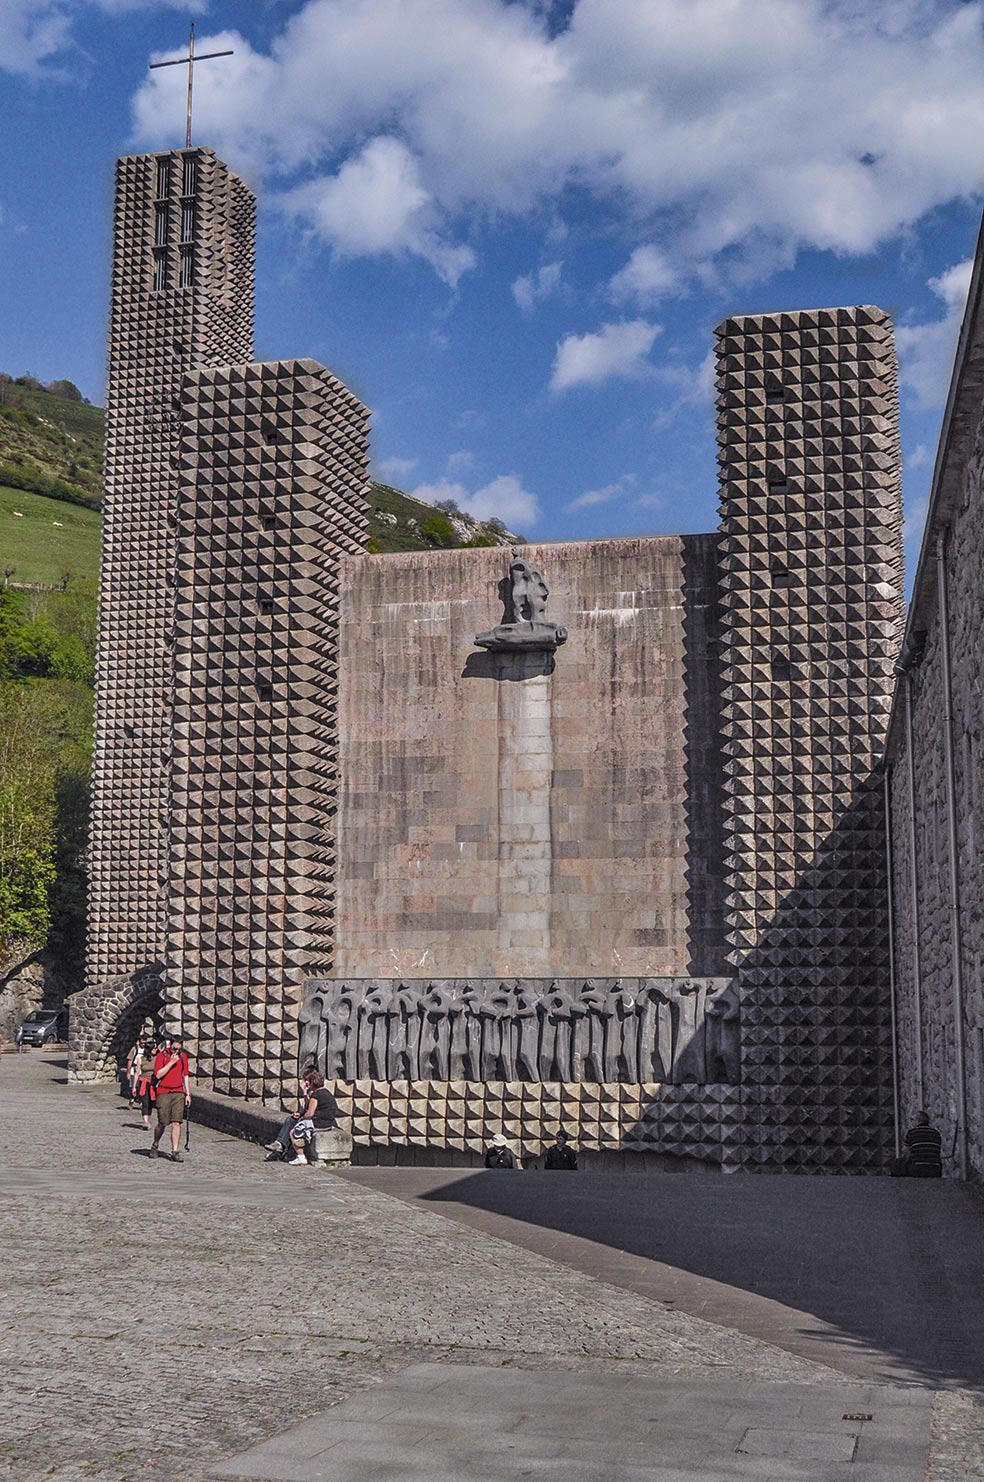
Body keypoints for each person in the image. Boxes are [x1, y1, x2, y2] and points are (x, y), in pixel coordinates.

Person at [150, 1034, 191, 1162]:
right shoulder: (162, 1056)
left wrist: (187, 1093)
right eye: (174, 1049)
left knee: (176, 1122)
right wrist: (171, 1063)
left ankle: (175, 1151)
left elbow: (185, 1075)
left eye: (179, 1049)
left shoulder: (183, 1057)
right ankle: (155, 1144)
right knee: (163, 1122)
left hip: (178, 1091)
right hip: (163, 1091)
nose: (176, 1052)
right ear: (170, 1045)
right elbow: (158, 1074)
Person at [286, 1071, 339, 1166]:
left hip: (318, 1124)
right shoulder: (327, 1093)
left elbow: (310, 1113)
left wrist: (302, 1118)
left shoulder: (316, 1095)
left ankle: (301, 1157)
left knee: (293, 1132)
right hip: (328, 1124)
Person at [263, 1069, 317, 1162]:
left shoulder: (316, 1094)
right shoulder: (309, 1093)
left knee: (293, 1129)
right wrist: (299, 1113)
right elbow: (304, 1107)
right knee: (290, 1119)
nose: (305, 1083)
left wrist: (305, 1095)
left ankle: (279, 1150)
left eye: (306, 1081)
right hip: (307, 1118)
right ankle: (279, 1145)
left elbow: (311, 1111)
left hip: (313, 1120)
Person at [892, 1110, 943, 1178]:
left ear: (918, 1121)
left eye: (912, 1119)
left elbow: (905, 1150)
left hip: (917, 1169)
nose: (911, 1122)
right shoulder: (936, 1133)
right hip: (935, 1169)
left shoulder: (912, 1133)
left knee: (898, 1162)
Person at [134, 1039, 157, 1131]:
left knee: (151, 1103)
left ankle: (148, 1118)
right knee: (145, 1102)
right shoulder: (141, 1059)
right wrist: (134, 1086)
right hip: (143, 1082)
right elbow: (137, 1072)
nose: (156, 1049)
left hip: (153, 1083)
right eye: (154, 1048)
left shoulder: (157, 1059)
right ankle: (146, 1121)